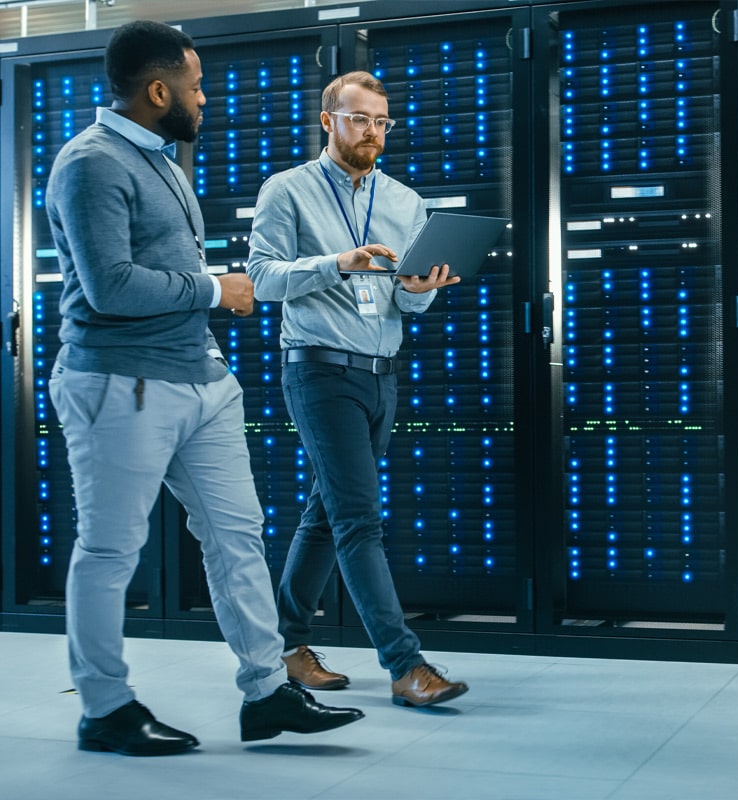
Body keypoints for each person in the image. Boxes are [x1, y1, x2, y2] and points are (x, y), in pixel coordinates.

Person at [45, 20, 364, 756]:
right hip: (119, 385)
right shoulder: (90, 163)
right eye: (194, 85)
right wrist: (217, 290)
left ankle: (266, 693)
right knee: (109, 551)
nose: (205, 98)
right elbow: (110, 287)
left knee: (237, 537)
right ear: (159, 91)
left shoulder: (162, 158)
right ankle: (105, 708)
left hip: (199, 381)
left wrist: (213, 333)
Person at [247, 71, 469, 708]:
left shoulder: (404, 201)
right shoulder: (286, 190)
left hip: (382, 375)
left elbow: (401, 296)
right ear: (328, 121)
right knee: (358, 519)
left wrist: (417, 293)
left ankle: (285, 645)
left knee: (328, 511)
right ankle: (405, 666)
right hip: (318, 370)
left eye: (381, 122)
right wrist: (335, 263)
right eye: (359, 119)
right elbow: (262, 279)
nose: (371, 132)